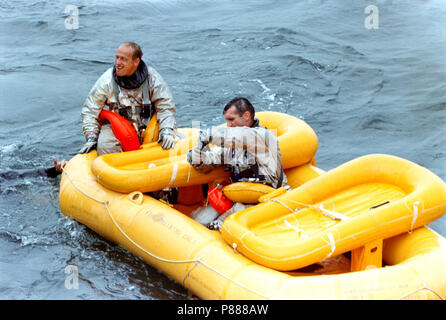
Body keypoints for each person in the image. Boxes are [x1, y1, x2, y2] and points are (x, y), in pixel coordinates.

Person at [186, 97, 287, 229]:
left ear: (246, 116)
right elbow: (212, 160)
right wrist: (197, 158)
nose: (228, 125)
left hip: (265, 201)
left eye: (231, 120)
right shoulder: (232, 147)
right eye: (227, 121)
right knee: (198, 220)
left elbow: (241, 136)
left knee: (223, 225)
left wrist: (209, 135)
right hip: (238, 199)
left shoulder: (263, 137)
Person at [79, 42, 177, 155]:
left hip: (148, 129)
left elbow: (165, 107)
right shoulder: (107, 80)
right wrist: (92, 137)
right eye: (117, 58)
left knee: (169, 142)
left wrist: (167, 131)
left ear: (136, 61)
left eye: (123, 59)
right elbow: (90, 110)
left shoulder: (152, 78)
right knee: (105, 146)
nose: (118, 63)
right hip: (119, 131)